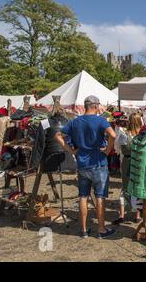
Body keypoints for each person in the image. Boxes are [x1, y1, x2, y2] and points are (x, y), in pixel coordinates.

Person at [55, 95, 116, 239]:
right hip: (99, 163)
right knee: (100, 196)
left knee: (83, 196)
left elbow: (58, 135)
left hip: (82, 164)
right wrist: (107, 150)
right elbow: (113, 135)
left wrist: (71, 151)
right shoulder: (101, 120)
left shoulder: (75, 121)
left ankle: (83, 230)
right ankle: (101, 229)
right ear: (95, 105)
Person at [112, 113, 143, 225]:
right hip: (139, 162)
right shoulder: (143, 135)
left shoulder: (123, 135)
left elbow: (117, 149)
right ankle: (138, 215)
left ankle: (122, 215)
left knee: (125, 187)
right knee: (138, 187)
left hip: (126, 161)